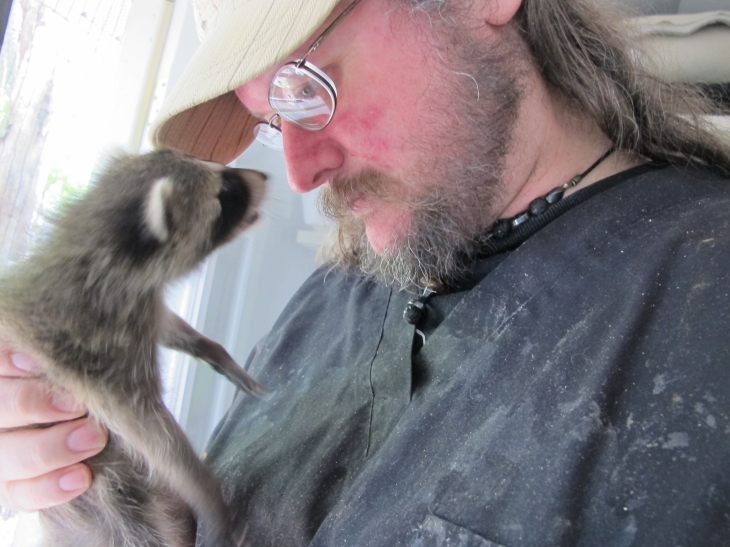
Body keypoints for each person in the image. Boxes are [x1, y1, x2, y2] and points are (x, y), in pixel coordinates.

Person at [2, 0, 730, 544]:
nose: (299, 170)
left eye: (308, 87)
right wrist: (91, 487)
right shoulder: (333, 296)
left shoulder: (702, 298)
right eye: (270, 121)